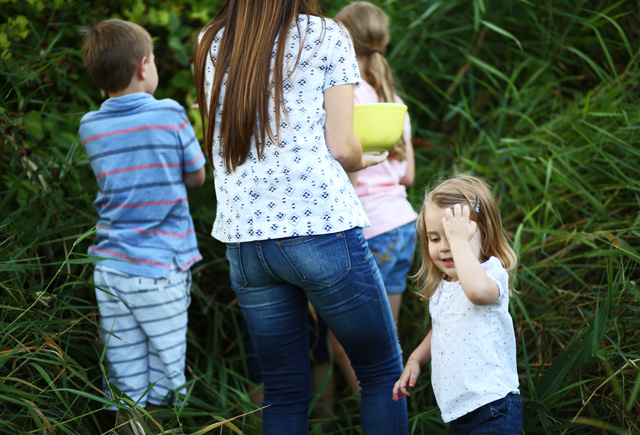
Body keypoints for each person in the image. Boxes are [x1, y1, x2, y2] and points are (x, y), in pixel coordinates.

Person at [192, 1, 408, 433]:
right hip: (320, 229)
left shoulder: (210, 41)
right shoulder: (326, 35)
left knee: (284, 391)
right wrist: (364, 160)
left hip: (247, 239)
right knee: (381, 371)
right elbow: (344, 148)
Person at [79, 18, 206, 434]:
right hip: (159, 269)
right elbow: (197, 176)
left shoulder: (90, 126)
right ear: (144, 66)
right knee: (166, 377)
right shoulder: (169, 114)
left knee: (125, 378)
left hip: (112, 268)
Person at [331, 1, 418, 396]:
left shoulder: (345, 97)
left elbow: (344, 166)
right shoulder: (393, 99)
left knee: (346, 342)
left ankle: (377, 406)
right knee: (388, 337)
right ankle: (391, 410)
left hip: (371, 228)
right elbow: (408, 174)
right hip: (403, 223)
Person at [392, 173, 522, 433]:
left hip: (493, 406)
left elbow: (475, 292)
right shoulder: (444, 286)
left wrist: (460, 241)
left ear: (484, 233)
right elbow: (443, 328)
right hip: (459, 413)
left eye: (455, 236)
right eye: (435, 238)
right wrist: (416, 359)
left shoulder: (490, 274)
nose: (444, 247)